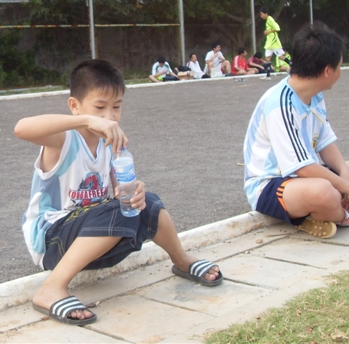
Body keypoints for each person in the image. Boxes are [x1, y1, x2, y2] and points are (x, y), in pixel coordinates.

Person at [15, 59, 223, 326]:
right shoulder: (64, 140)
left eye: (116, 107)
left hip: (89, 238)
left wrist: (135, 193)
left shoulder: (109, 144)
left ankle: (181, 260)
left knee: (146, 203)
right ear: (75, 106)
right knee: (118, 213)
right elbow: (21, 128)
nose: (109, 116)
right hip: (52, 239)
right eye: (99, 107)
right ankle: (51, 288)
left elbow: (119, 195)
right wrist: (86, 121)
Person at [243, 24, 349, 239]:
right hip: (271, 185)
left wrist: (345, 177)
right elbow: (301, 168)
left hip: (307, 176)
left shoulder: (315, 95)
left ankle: (322, 216)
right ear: (327, 71)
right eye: (339, 66)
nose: (340, 72)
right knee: (324, 192)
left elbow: (325, 143)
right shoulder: (280, 104)